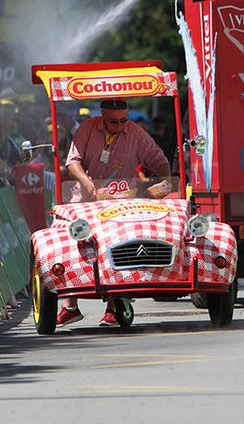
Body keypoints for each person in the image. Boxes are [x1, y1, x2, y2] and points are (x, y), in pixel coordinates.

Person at [59, 98, 172, 328]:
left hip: (121, 203)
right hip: (85, 199)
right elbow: (72, 162)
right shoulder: (88, 128)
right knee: (72, 244)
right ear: (103, 116)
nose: (119, 125)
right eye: (113, 121)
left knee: (116, 246)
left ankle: (112, 308)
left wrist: (164, 181)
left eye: (123, 120)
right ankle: (70, 307)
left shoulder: (137, 133)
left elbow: (159, 160)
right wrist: (86, 181)